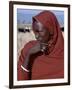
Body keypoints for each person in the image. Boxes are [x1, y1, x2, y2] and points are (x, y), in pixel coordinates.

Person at [17, 11, 64, 80]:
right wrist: (29, 55)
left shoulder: (65, 51)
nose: (36, 36)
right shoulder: (29, 48)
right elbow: (19, 81)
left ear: (51, 30)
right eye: (35, 31)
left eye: (39, 31)